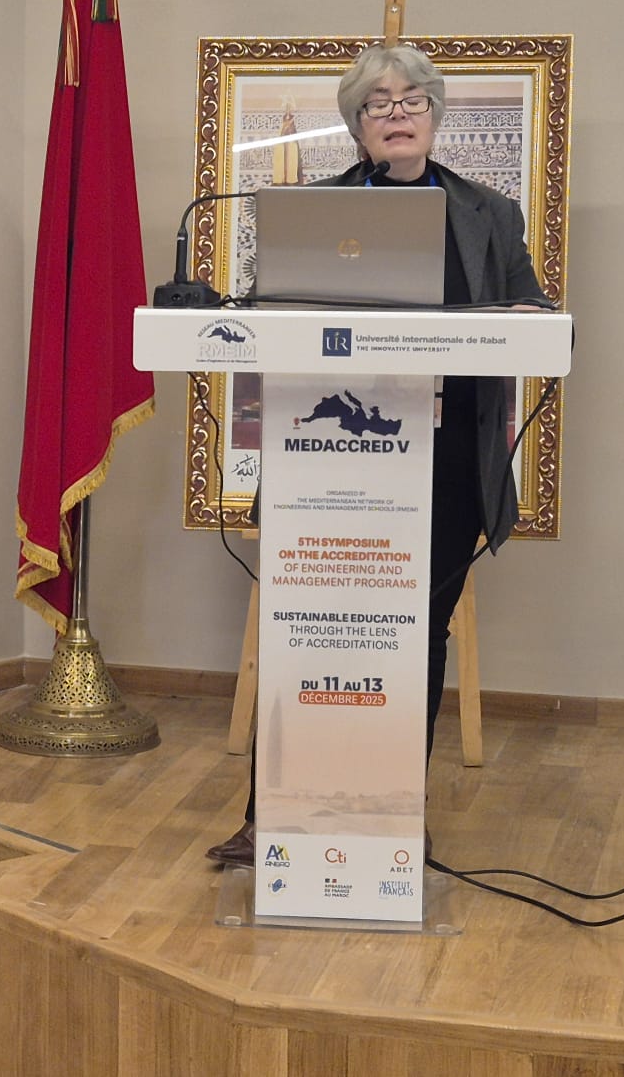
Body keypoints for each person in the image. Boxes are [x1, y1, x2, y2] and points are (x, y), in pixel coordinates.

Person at [206, 44, 550, 867]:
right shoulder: (310, 213)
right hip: (329, 458)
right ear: (356, 125)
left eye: (412, 100)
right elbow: (266, 316)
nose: (397, 114)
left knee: (415, 635)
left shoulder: (491, 213)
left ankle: (394, 814)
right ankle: (270, 817)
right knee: (307, 632)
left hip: (445, 463)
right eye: (377, 103)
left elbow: (534, 310)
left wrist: (526, 317)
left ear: (434, 113)